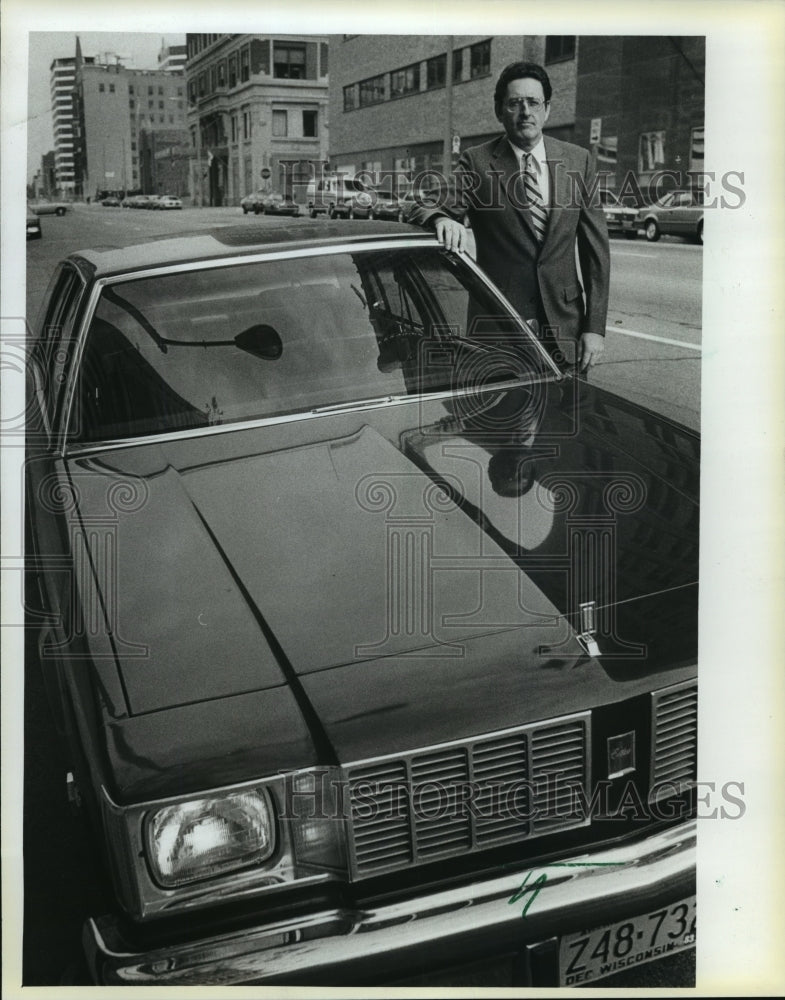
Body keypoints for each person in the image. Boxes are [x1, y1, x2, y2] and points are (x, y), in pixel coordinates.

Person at [408, 61, 610, 372]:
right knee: (502, 416)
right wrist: (440, 218)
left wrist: (594, 327)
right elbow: (420, 203)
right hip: (499, 327)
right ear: (499, 110)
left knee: (566, 415)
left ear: (547, 110)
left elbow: (596, 253)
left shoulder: (578, 160)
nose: (525, 111)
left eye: (533, 102)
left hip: (566, 327)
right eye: (515, 103)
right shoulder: (477, 162)